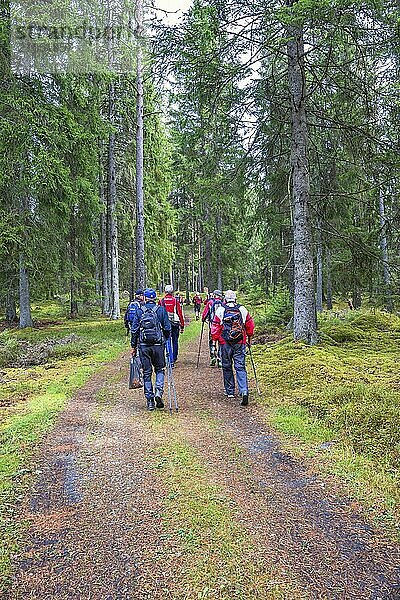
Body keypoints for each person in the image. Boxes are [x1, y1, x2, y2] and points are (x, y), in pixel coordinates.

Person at [211, 290, 254, 406]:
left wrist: (214, 342)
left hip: (224, 342)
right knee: (240, 366)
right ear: (235, 299)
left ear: (225, 299)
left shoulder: (221, 310)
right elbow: (249, 326)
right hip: (240, 342)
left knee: (227, 366)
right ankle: (243, 390)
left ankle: (230, 391)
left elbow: (215, 327)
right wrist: (249, 339)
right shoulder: (242, 309)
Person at [130, 288, 171, 411]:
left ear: (144, 298)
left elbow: (134, 330)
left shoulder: (139, 311)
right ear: (155, 297)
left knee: (147, 373)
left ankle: (150, 401)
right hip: (158, 345)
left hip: (144, 346)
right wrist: (164, 339)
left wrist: (133, 346)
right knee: (159, 369)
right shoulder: (161, 310)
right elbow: (167, 328)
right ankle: (159, 392)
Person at [159, 284, 184, 366]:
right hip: (175, 324)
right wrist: (182, 325)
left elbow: (159, 313)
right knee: (175, 340)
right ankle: (174, 357)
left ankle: (169, 359)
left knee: (167, 340)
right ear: (172, 291)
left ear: (165, 291)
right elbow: (179, 313)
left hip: (165, 324)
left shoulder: (161, 301)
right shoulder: (175, 301)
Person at [202, 289, 224, 367]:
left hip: (212, 326)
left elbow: (205, 314)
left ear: (214, 295)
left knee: (212, 341)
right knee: (221, 342)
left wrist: (203, 319)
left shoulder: (210, 302)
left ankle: (212, 356)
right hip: (222, 327)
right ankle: (220, 359)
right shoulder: (223, 303)